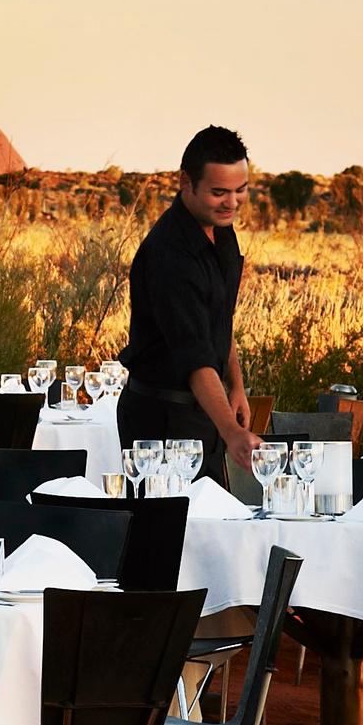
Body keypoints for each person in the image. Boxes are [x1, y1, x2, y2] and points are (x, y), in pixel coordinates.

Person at [116, 124, 254, 478]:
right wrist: (232, 431)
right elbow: (194, 358)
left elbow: (218, 320)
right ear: (185, 182)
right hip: (161, 422)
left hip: (207, 409)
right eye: (219, 192)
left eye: (241, 190)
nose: (232, 203)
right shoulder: (170, 254)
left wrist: (236, 386)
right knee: (172, 529)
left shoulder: (222, 230)